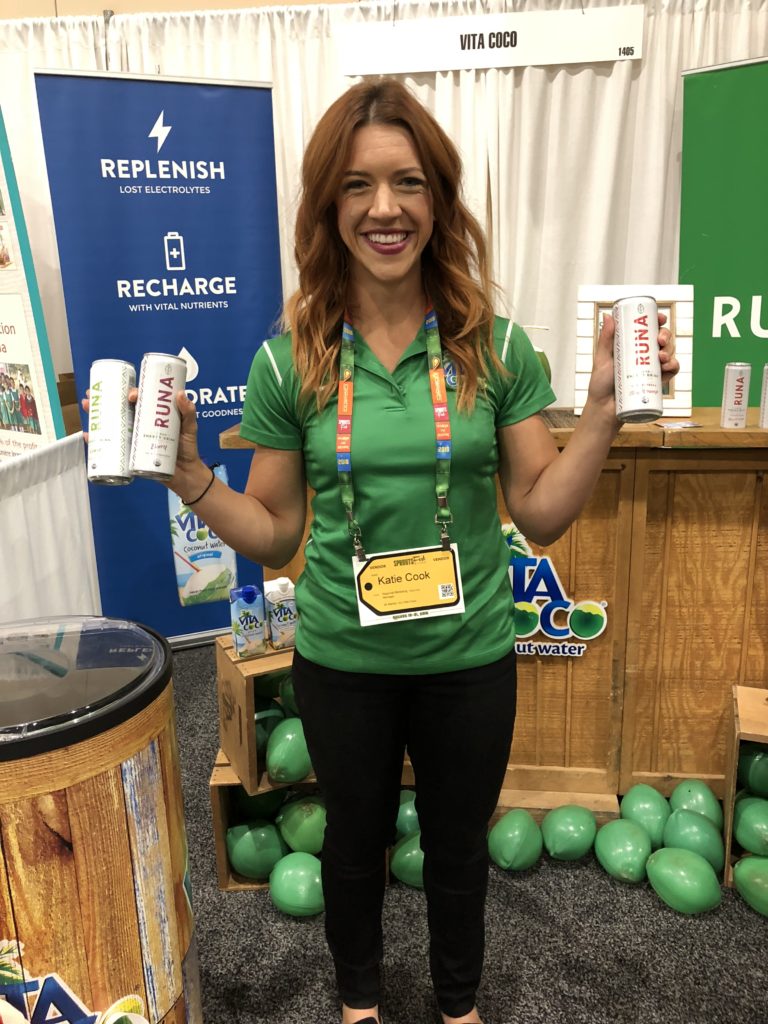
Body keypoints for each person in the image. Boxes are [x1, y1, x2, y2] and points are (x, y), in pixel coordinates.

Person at [85, 78, 677, 1024]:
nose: (385, 208)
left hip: (470, 658)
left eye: (407, 182)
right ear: (330, 206)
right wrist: (192, 478)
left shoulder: (492, 345)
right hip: (343, 660)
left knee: (458, 849)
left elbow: (541, 511)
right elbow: (277, 533)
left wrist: (603, 413)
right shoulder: (293, 357)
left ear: (439, 198)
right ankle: (358, 1004)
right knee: (353, 847)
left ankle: (458, 1005)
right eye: (357, 185)